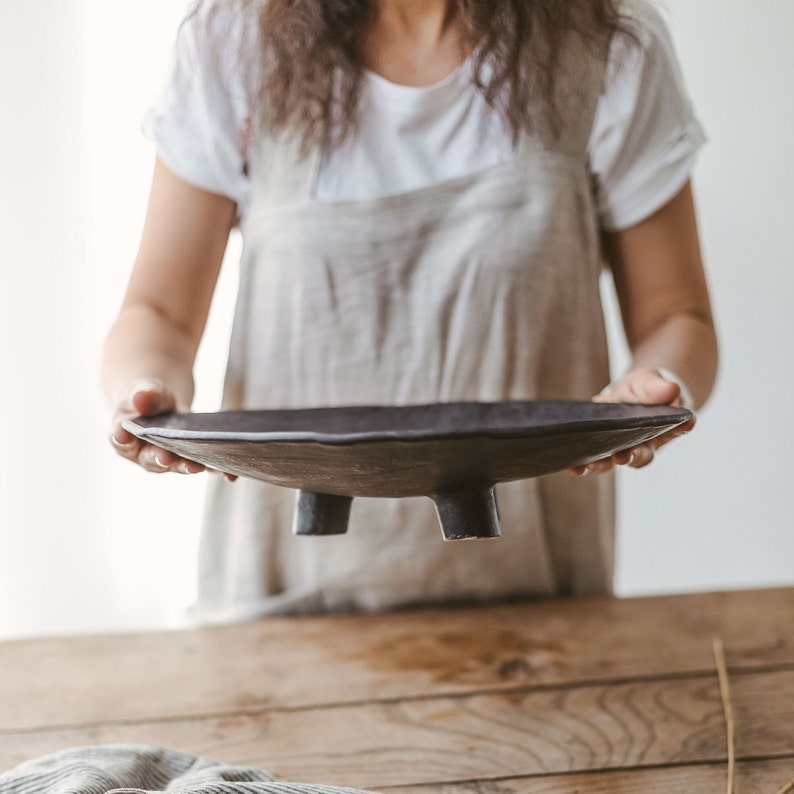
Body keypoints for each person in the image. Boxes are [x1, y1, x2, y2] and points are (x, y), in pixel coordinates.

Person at [103, 0, 718, 622]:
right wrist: (145, 395)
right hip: (274, 608)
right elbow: (160, 313)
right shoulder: (233, 42)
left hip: (538, 609)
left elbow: (677, 316)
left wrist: (656, 387)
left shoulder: (608, 45)